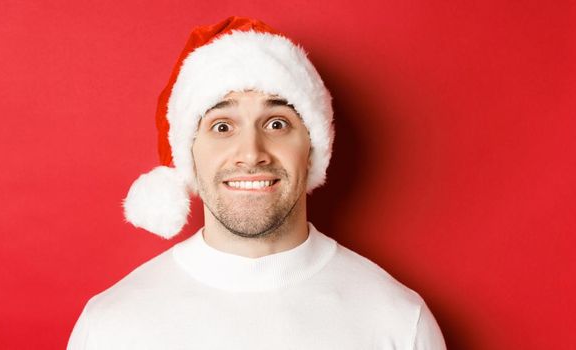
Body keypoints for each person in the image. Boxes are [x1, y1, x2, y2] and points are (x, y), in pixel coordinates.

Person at [67, 16, 447, 349]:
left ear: (314, 148)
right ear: (188, 154)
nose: (251, 153)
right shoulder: (111, 326)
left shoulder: (398, 322)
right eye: (222, 127)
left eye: (277, 124)